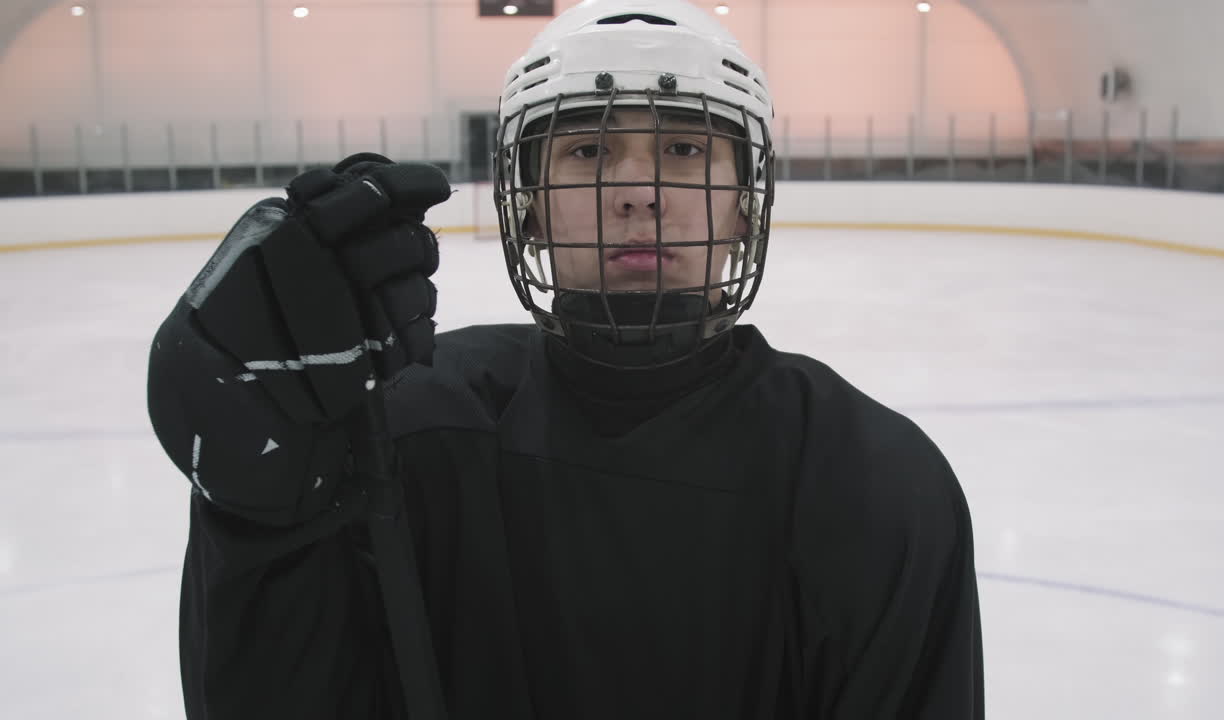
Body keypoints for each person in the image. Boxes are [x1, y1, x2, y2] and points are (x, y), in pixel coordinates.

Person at [146, 0, 983, 718]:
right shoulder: (404, 434)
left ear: (743, 204)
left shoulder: (874, 484)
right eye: (586, 152)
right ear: (530, 207)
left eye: (685, 151)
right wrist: (257, 516)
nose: (636, 189)